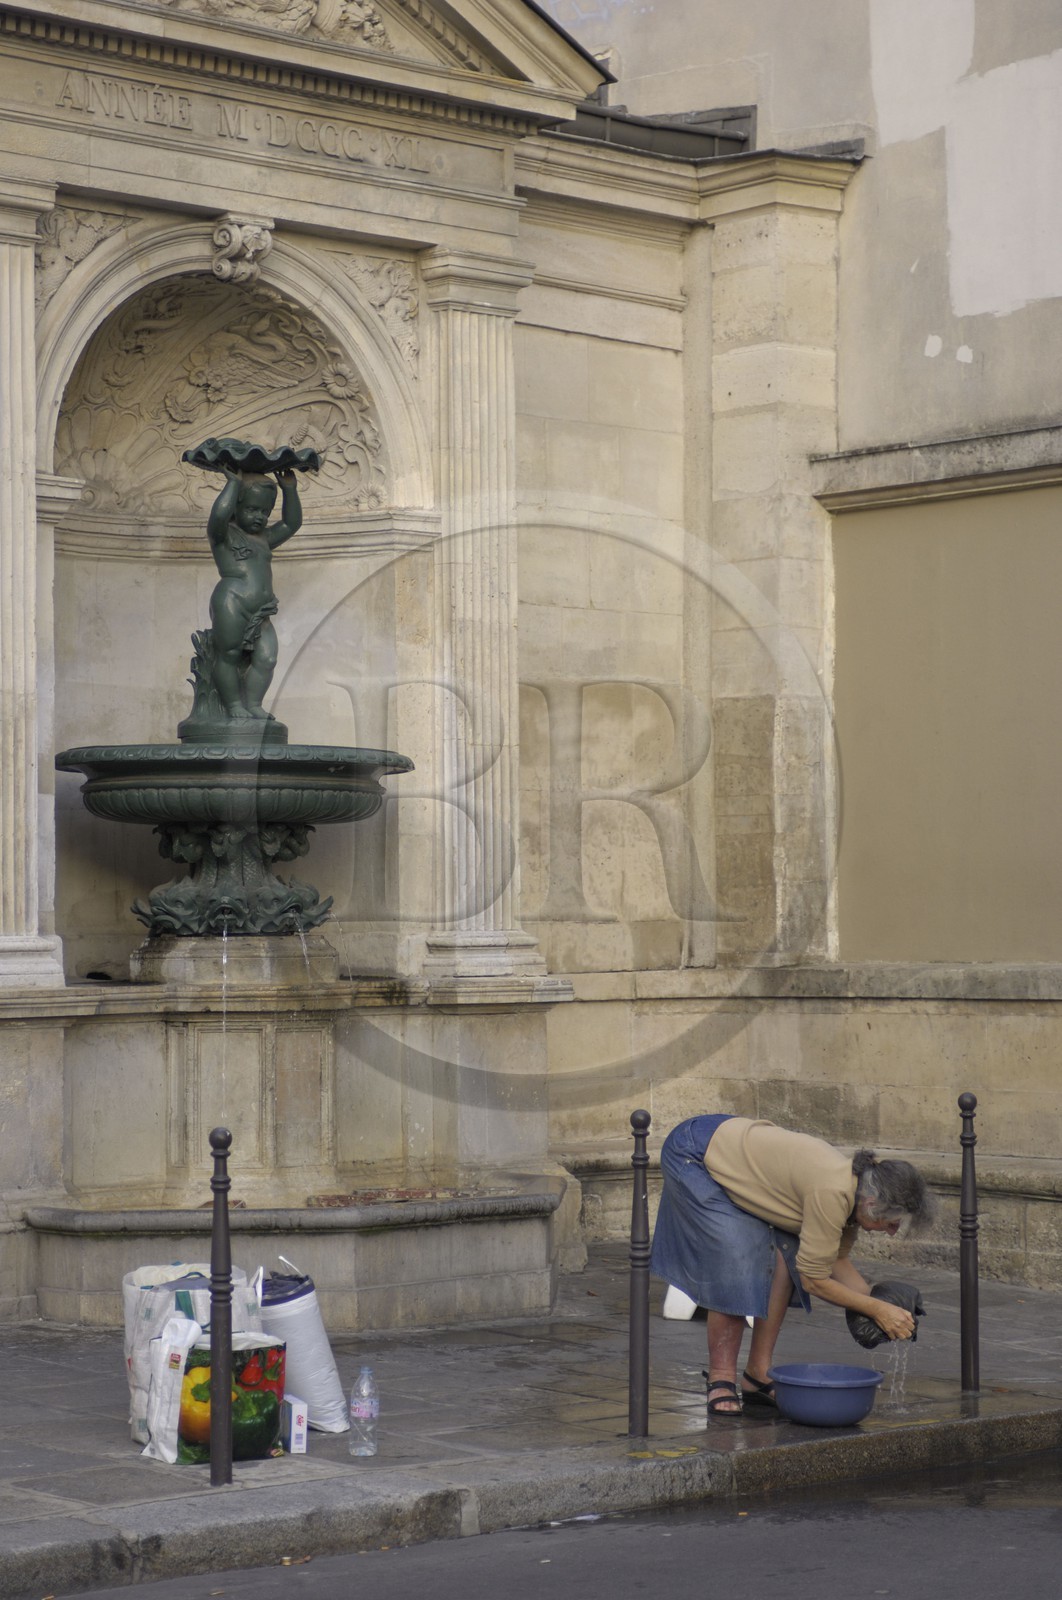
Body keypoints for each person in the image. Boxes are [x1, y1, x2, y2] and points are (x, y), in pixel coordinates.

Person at [649, 1113, 936, 1417]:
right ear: (871, 1203)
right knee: (735, 1256)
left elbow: (834, 1261)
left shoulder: (856, 1193)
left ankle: (757, 1376)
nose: (892, 1231)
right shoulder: (832, 1192)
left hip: (730, 1145)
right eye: (891, 1222)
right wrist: (877, 1310)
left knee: (785, 1255)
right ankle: (721, 1378)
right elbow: (814, 1279)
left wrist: (885, 1306)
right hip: (694, 1152)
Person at [206, 465, 302, 721]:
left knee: (268, 657)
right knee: (229, 654)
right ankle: (235, 704)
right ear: (236, 507)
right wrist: (232, 484)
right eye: (251, 509)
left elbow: (292, 524)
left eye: (264, 511)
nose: (259, 516)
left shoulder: (264, 538)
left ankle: (254, 704)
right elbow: (218, 516)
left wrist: (290, 490)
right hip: (231, 602)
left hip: (262, 611)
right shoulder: (223, 535)